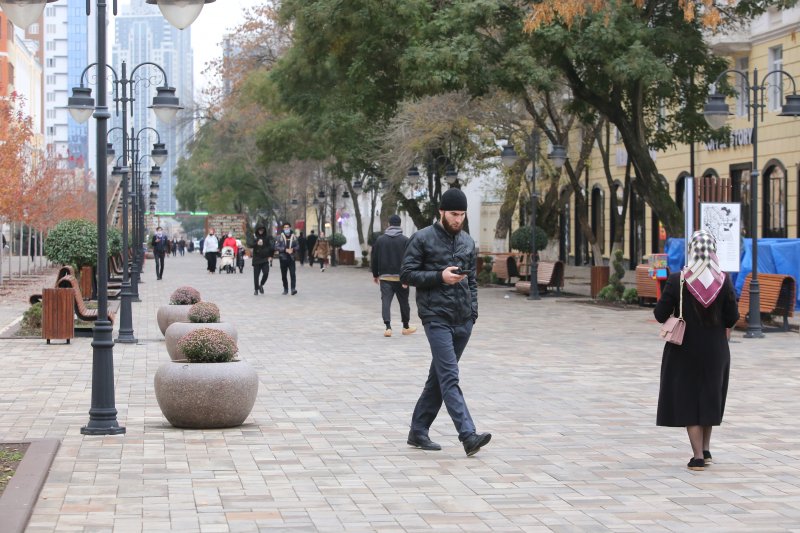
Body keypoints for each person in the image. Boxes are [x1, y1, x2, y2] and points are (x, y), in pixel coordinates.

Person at [400, 188, 490, 457]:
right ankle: (468, 435)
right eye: (453, 214)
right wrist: (439, 276)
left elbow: (472, 280)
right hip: (435, 317)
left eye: (462, 214)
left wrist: (473, 313)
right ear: (441, 212)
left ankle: (418, 430)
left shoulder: (467, 241)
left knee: (438, 378)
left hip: (463, 320)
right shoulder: (422, 238)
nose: (458, 219)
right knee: (450, 376)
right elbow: (407, 274)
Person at [654, 229, 739, 471]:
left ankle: (697, 456)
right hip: (716, 351)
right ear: (713, 251)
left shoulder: (677, 280)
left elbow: (660, 315)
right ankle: (707, 450)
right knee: (710, 397)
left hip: (684, 350)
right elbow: (732, 317)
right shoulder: (724, 281)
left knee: (689, 400)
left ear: (691, 250)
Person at [372, 214, 416, 337]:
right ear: (399, 224)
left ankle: (388, 327)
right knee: (404, 302)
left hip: (385, 277)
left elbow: (375, 258)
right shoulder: (405, 240)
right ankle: (406, 327)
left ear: (389, 224)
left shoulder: (380, 240)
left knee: (385, 301)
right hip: (401, 278)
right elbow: (410, 260)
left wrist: (375, 274)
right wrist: (408, 277)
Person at [249, 223, 274, 295]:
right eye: (259, 230)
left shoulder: (267, 237)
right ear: (257, 230)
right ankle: (256, 289)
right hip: (256, 259)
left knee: (266, 273)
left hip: (265, 258)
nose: (261, 231)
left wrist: (271, 256)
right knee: (256, 275)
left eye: (262, 229)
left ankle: (261, 284)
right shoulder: (254, 236)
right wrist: (256, 243)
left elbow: (271, 247)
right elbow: (250, 244)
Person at [276, 222, 298, 295]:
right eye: (285, 227)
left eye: (287, 227)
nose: (286, 229)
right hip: (283, 258)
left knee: (292, 274)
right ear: (283, 228)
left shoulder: (294, 237)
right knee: (284, 275)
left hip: (291, 258)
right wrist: (284, 250)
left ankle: (293, 289)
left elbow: (298, 246)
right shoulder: (279, 237)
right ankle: (285, 289)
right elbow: (276, 247)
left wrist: (293, 249)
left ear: (290, 228)